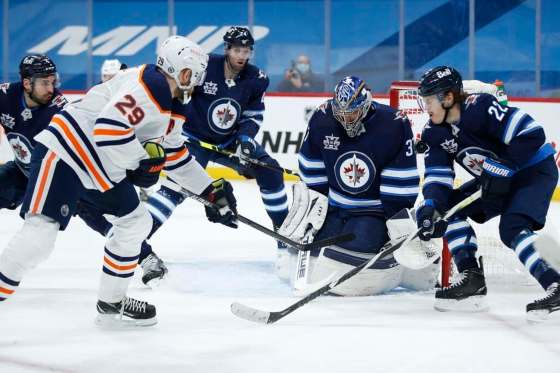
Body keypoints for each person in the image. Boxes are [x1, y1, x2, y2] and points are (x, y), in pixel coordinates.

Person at [0, 36, 237, 327]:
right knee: (40, 235)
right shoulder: (149, 87)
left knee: (136, 222)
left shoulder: (173, 103)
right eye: (195, 74)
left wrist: (210, 192)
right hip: (68, 150)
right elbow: (108, 129)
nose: (198, 81)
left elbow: (174, 153)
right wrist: (141, 163)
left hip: (100, 165)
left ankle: (111, 301)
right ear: (181, 71)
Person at [0, 55, 169, 289]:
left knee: (106, 217)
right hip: (23, 171)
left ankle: (146, 257)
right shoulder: (6, 95)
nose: (52, 88)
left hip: (64, 173)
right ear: (27, 83)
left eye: (53, 81)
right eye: (45, 83)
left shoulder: (58, 108)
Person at [141, 26, 291, 277]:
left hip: (230, 142)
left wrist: (245, 139)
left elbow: (254, 115)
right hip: (195, 140)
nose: (242, 56)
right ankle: (137, 239)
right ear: (227, 49)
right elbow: (179, 92)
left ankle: (285, 238)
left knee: (272, 172)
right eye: (237, 50)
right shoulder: (205, 66)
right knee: (176, 186)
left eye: (246, 51)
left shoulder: (257, 78)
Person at [414, 65, 560, 320]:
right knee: (447, 211)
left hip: (533, 171)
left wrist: (503, 165)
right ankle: (472, 279)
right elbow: (438, 176)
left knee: (512, 227)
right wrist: (431, 206)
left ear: (448, 98)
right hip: (496, 180)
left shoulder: (480, 107)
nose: (426, 107)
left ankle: (554, 283)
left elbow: (531, 133)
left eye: (429, 100)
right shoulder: (433, 132)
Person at [290, 76, 438, 296]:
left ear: (366, 104)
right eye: (341, 114)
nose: (346, 120)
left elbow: (400, 182)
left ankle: (403, 270)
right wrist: (315, 204)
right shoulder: (322, 117)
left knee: (348, 253)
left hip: (373, 212)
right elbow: (311, 168)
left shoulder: (393, 123)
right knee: (299, 249)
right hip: (336, 208)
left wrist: (394, 223)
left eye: (352, 113)